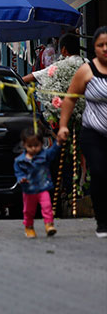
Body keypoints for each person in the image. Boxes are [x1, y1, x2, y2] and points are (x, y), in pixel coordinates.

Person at [57, 25, 107, 238]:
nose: (105, 49)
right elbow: (70, 99)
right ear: (94, 48)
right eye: (100, 45)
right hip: (93, 131)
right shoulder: (86, 71)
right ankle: (103, 221)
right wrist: (63, 126)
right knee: (99, 172)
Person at [15, 128, 61, 237]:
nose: (34, 149)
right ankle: (29, 226)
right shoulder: (20, 161)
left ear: (41, 143)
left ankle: (49, 224)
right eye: (30, 146)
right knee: (29, 210)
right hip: (29, 190)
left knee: (47, 206)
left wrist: (58, 142)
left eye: (36, 145)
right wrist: (21, 179)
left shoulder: (44, 155)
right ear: (24, 145)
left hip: (42, 187)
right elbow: (18, 173)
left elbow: (53, 151)